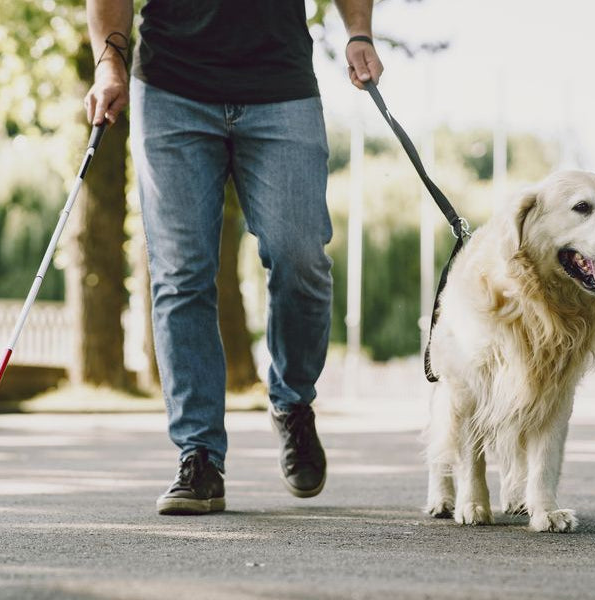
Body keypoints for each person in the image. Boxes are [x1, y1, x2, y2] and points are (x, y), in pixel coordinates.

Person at [84, 0, 384, 515]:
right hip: (170, 87)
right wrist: (110, 61)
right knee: (181, 275)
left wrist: (359, 31)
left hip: (280, 85)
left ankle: (292, 402)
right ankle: (198, 454)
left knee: (300, 257)